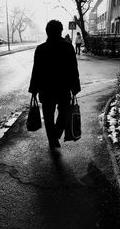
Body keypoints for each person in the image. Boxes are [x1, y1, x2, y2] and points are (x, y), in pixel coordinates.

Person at [28, 20, 81, 150]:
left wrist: (34, 89)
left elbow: (36, 71)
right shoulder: (68, 47)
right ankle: (56, 134)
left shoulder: (41, 49)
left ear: (47, 32)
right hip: (63, 88)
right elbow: (73, 69)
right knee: (63, 114)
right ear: (61, 31)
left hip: (46, 90)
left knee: (48, 116)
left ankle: (52, 139)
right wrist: (75, 87)